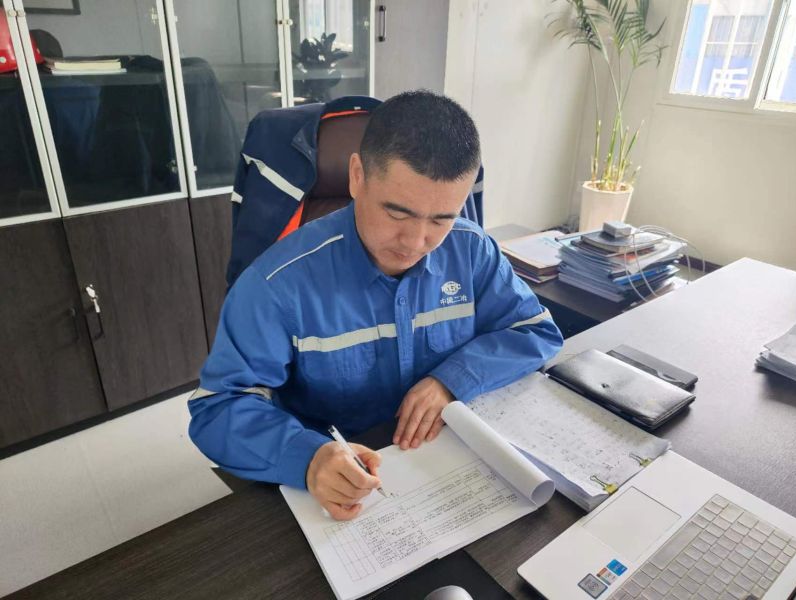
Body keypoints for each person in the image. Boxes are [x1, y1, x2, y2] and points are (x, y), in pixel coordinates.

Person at [188, 90, 563, 520]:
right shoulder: (277, 283)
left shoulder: (471, 249)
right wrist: (308, 457)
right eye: (397, 213)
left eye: (441, 218)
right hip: (342, 480)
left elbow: (534, 330)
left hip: (446, 460)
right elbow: (218, 407)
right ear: (356, 176)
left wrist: (450, 380)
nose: (416, 242)